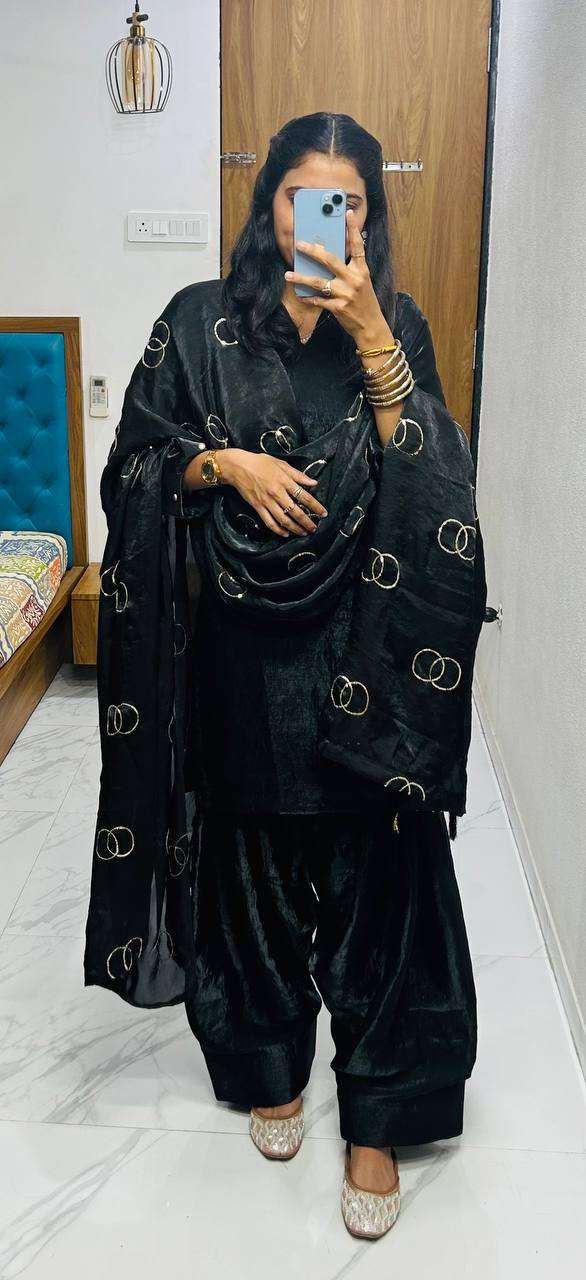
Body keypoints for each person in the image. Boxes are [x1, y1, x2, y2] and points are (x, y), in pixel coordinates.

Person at [84, 112, 488, 1240]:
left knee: (382, 877)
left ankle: (379, 1111)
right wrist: (224, 464)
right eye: (304, 197)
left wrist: (372, 335)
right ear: (268, 207)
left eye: (348, 202)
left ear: (370, 216)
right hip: (242, 657)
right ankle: (267, 1057)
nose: (326, 220)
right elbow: (135, 466)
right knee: (250, 866)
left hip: (367, 648)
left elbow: (435, 480)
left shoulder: (395, 322)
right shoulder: (197, 322)